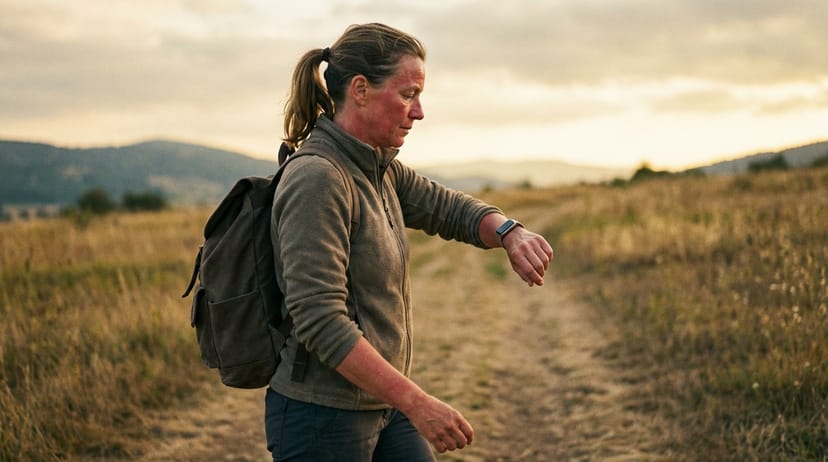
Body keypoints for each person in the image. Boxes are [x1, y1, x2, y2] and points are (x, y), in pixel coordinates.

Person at [267, 23, 554, 461]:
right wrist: (417, 403)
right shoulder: (319, 178)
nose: (418, 112)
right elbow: (320, 318)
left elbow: (450, 209)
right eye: (407, 94)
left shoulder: (377, 166)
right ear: (360, 90)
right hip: (321, 418)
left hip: (382, 404)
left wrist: (509, 232)